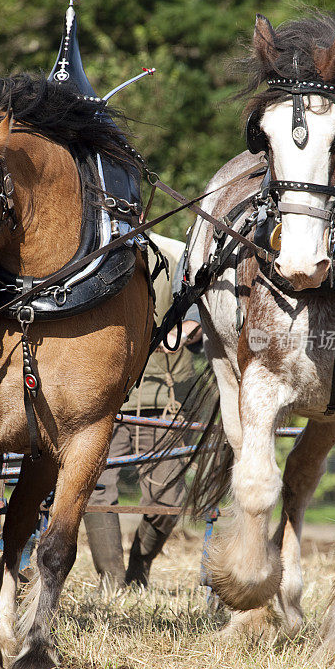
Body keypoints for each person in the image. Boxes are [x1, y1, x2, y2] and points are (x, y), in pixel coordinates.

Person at [83, 232, 202, 589]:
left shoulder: (178, 255)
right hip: (105, 398)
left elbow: (202, 303)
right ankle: (112, 582)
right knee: (94, 486)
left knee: (169, 497)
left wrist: (192, 327)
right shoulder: (91, 250)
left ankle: (139, 569)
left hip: (166, 396)